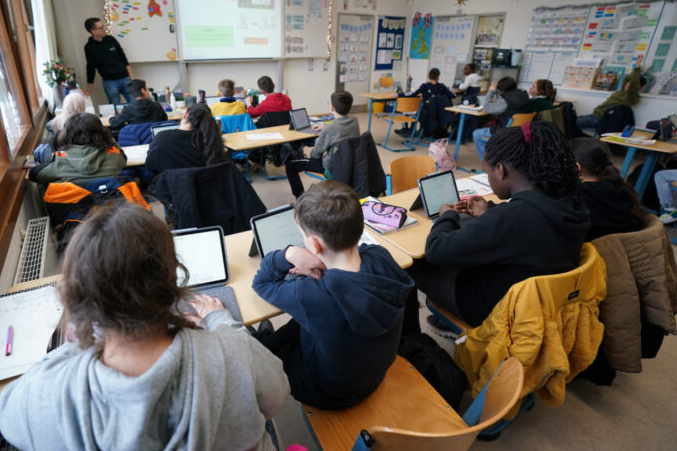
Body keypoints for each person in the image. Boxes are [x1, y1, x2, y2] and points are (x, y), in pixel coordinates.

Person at [0, 204, 289, 450]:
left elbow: (7, 416)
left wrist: (82, 342)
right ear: (172, 279)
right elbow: (277, 397)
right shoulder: (232, 349)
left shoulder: (52, 392)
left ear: (80, 297)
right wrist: (219, 322)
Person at [252, 181, 414, 409]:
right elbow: (358, 259)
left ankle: (262, 345)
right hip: (371, 378)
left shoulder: (311, 294)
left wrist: (289, 253)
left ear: (314, 245)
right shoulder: (382, 257)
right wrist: (328, 264)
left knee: (271, 349)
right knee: (300, 325)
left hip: (326, 392)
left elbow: (262, 283)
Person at [411, 122, 590, 328]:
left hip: (493, 309)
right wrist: (491, 211)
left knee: (409, 265)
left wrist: (447, 215)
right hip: (539, 304)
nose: (488, 179)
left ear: (500, 170)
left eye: (487, 173)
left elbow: (436, 251)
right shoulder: (570, 203)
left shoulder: (509, 219)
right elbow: (520, 226)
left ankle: (411, 342)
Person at [284, 91, 360, 198]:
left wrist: (325, 131)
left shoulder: (330, 128)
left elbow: (315, 154)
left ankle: (299, 196)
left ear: (332, 108)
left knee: (290, 166)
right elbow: (341, 128)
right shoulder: (355, 121)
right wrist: (324, 128)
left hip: (331, 167)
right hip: (350, 162)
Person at [569, 137, 645, 240]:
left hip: (596, 251)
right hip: (623, 247)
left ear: (577, 167)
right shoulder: (620, 186)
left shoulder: (576, 195)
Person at [29, 113, 127, 183]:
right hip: (110, 209)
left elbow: (34, 174)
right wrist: (107, 138)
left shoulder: (59, 161)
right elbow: (123, 156)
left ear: (67, 134)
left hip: (73, 209)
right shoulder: (113, 157)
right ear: (101, 133)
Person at [145, 103, 228, 173]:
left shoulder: (162, 138)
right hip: (206, 191)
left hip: (173, 190)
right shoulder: (211, 141)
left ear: (185, 114)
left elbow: (151, 167)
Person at [576, 56, 645, 128]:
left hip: (601, 119)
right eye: (628, 83)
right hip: (595, 115)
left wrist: (638, 65)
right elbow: (628, 78)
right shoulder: (622, 91)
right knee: (568, 120)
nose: (628, 84)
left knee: (568, 123)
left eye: (632, 84)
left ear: (640, 87)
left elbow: (634, 82)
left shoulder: (632, 96)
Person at [472, 76, 531, 160]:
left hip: (505, 132)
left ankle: (486, 162)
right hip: (519, 131)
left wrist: (491, 91)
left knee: (476, 133)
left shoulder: (506, 101)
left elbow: (486, 108)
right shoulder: (524, 96)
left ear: (502, 90)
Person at [84, 17, 133, 105]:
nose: (104, 29)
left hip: (125, 78)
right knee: (115, 108)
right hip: (110, 82)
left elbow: (123, 58)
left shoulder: (111, 40)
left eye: (103, 26)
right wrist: (88, 91)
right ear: (93, 31)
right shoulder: (89, 47)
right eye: (101, 28)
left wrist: (131, 78)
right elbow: (90, 69)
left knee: (135, 104)